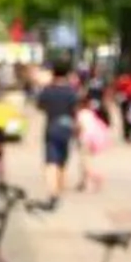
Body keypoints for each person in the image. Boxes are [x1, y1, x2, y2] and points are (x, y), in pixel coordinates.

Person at [35, 64, 82, 200]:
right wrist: (78, 127)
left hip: (51, 126)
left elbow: (39, 106)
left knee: (51, 160)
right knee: (63, 156)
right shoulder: (71, 92)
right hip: (67, 127)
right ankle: (61, 185)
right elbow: (76, 110)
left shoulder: (47, 90)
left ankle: (52, 190)